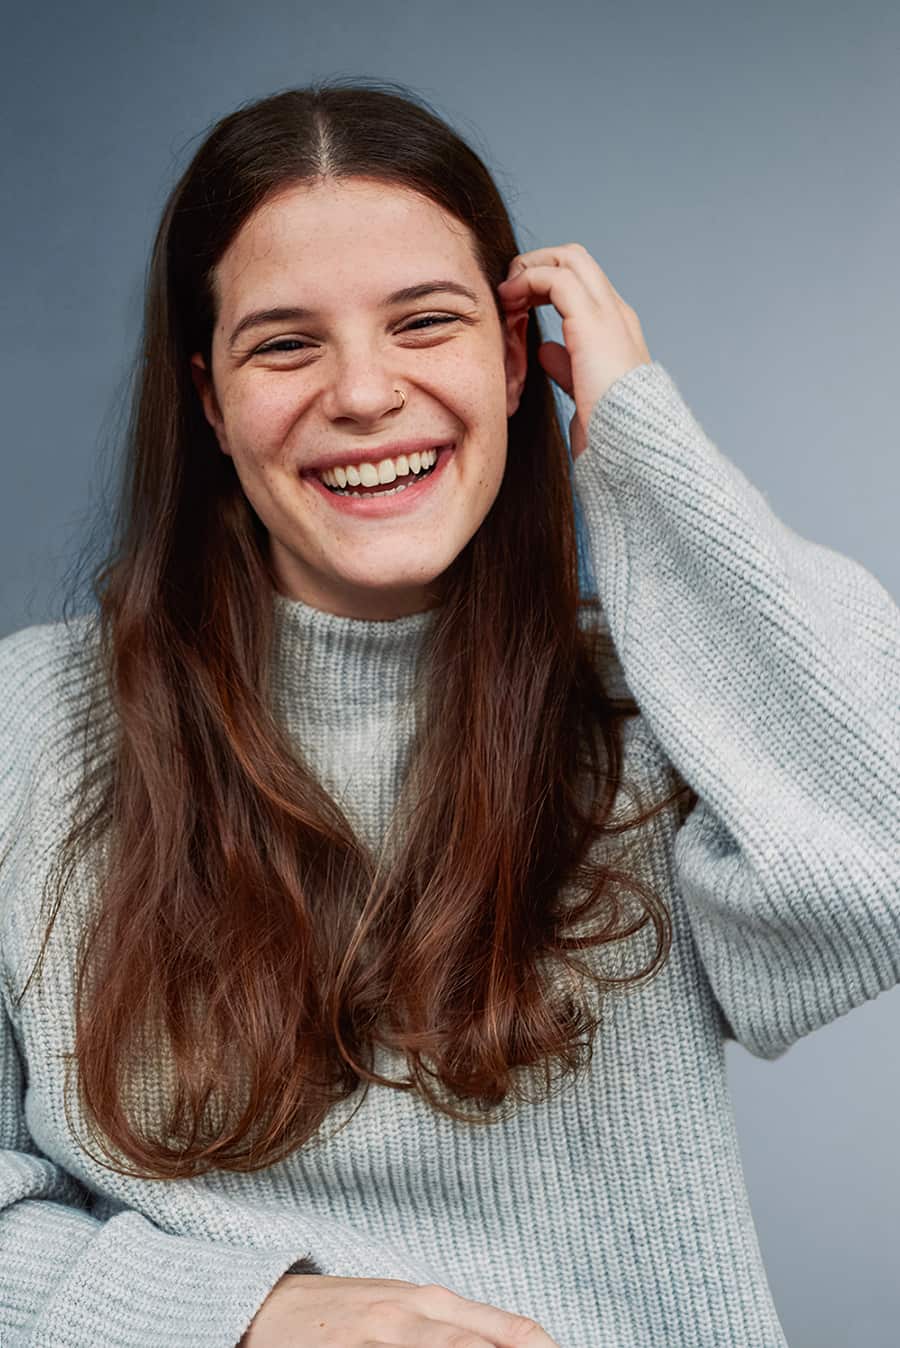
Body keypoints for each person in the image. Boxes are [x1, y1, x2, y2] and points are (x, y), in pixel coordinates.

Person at [1, 77, 898, 1348]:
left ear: (521, 355)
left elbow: (879, 864)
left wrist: (640, 435)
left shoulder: (656, 710)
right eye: (285, 344)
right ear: (209, 401)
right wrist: (245, 1318)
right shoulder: (24, 726)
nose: (364, 393)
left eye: (424, 322)